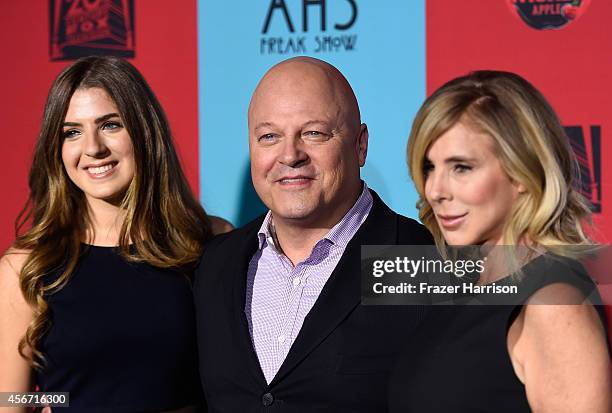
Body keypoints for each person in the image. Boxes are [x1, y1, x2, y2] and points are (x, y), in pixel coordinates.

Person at [193, 56, 433, 412]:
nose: (290, 155)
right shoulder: (214, 264)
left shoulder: (423, 259)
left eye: (314, 133)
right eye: (269, 136)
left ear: (360, 145)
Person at [0, 56, 231, 412]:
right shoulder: (26, 266)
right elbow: (8, 399)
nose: (93, 148)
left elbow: (236, 383)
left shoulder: (207, 241)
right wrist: (59, 400)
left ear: (144, 131)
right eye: (72, 132)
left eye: (110, 125)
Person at [388, 70, 611, 412]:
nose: (434, 190)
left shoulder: (554, 304)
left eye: (461, 167)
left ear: (522, 171)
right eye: (429, 167)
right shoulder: (460, 286)